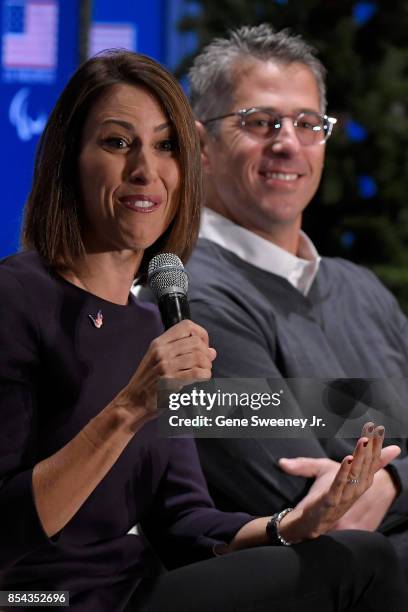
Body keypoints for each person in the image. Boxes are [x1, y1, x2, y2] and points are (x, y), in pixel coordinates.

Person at [0, 50, 405, 612]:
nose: (146, 169)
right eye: (118, 143)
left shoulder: (158, 317)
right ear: (69, 159)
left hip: (138, 590)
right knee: (371, 562)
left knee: (356, 557)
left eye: (165, 146)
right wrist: (130, 409)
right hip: (37, 598)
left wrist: (294, 522)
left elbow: (183, 521)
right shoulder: (17, 298)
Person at [186, 24, 408, 574]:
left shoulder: (364, 290)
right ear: (200, 145)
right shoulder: (187, 297)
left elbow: (358, 477)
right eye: (259, 122)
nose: (287, 141)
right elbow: (303, 507)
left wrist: (393, 478)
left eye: (309, 124)